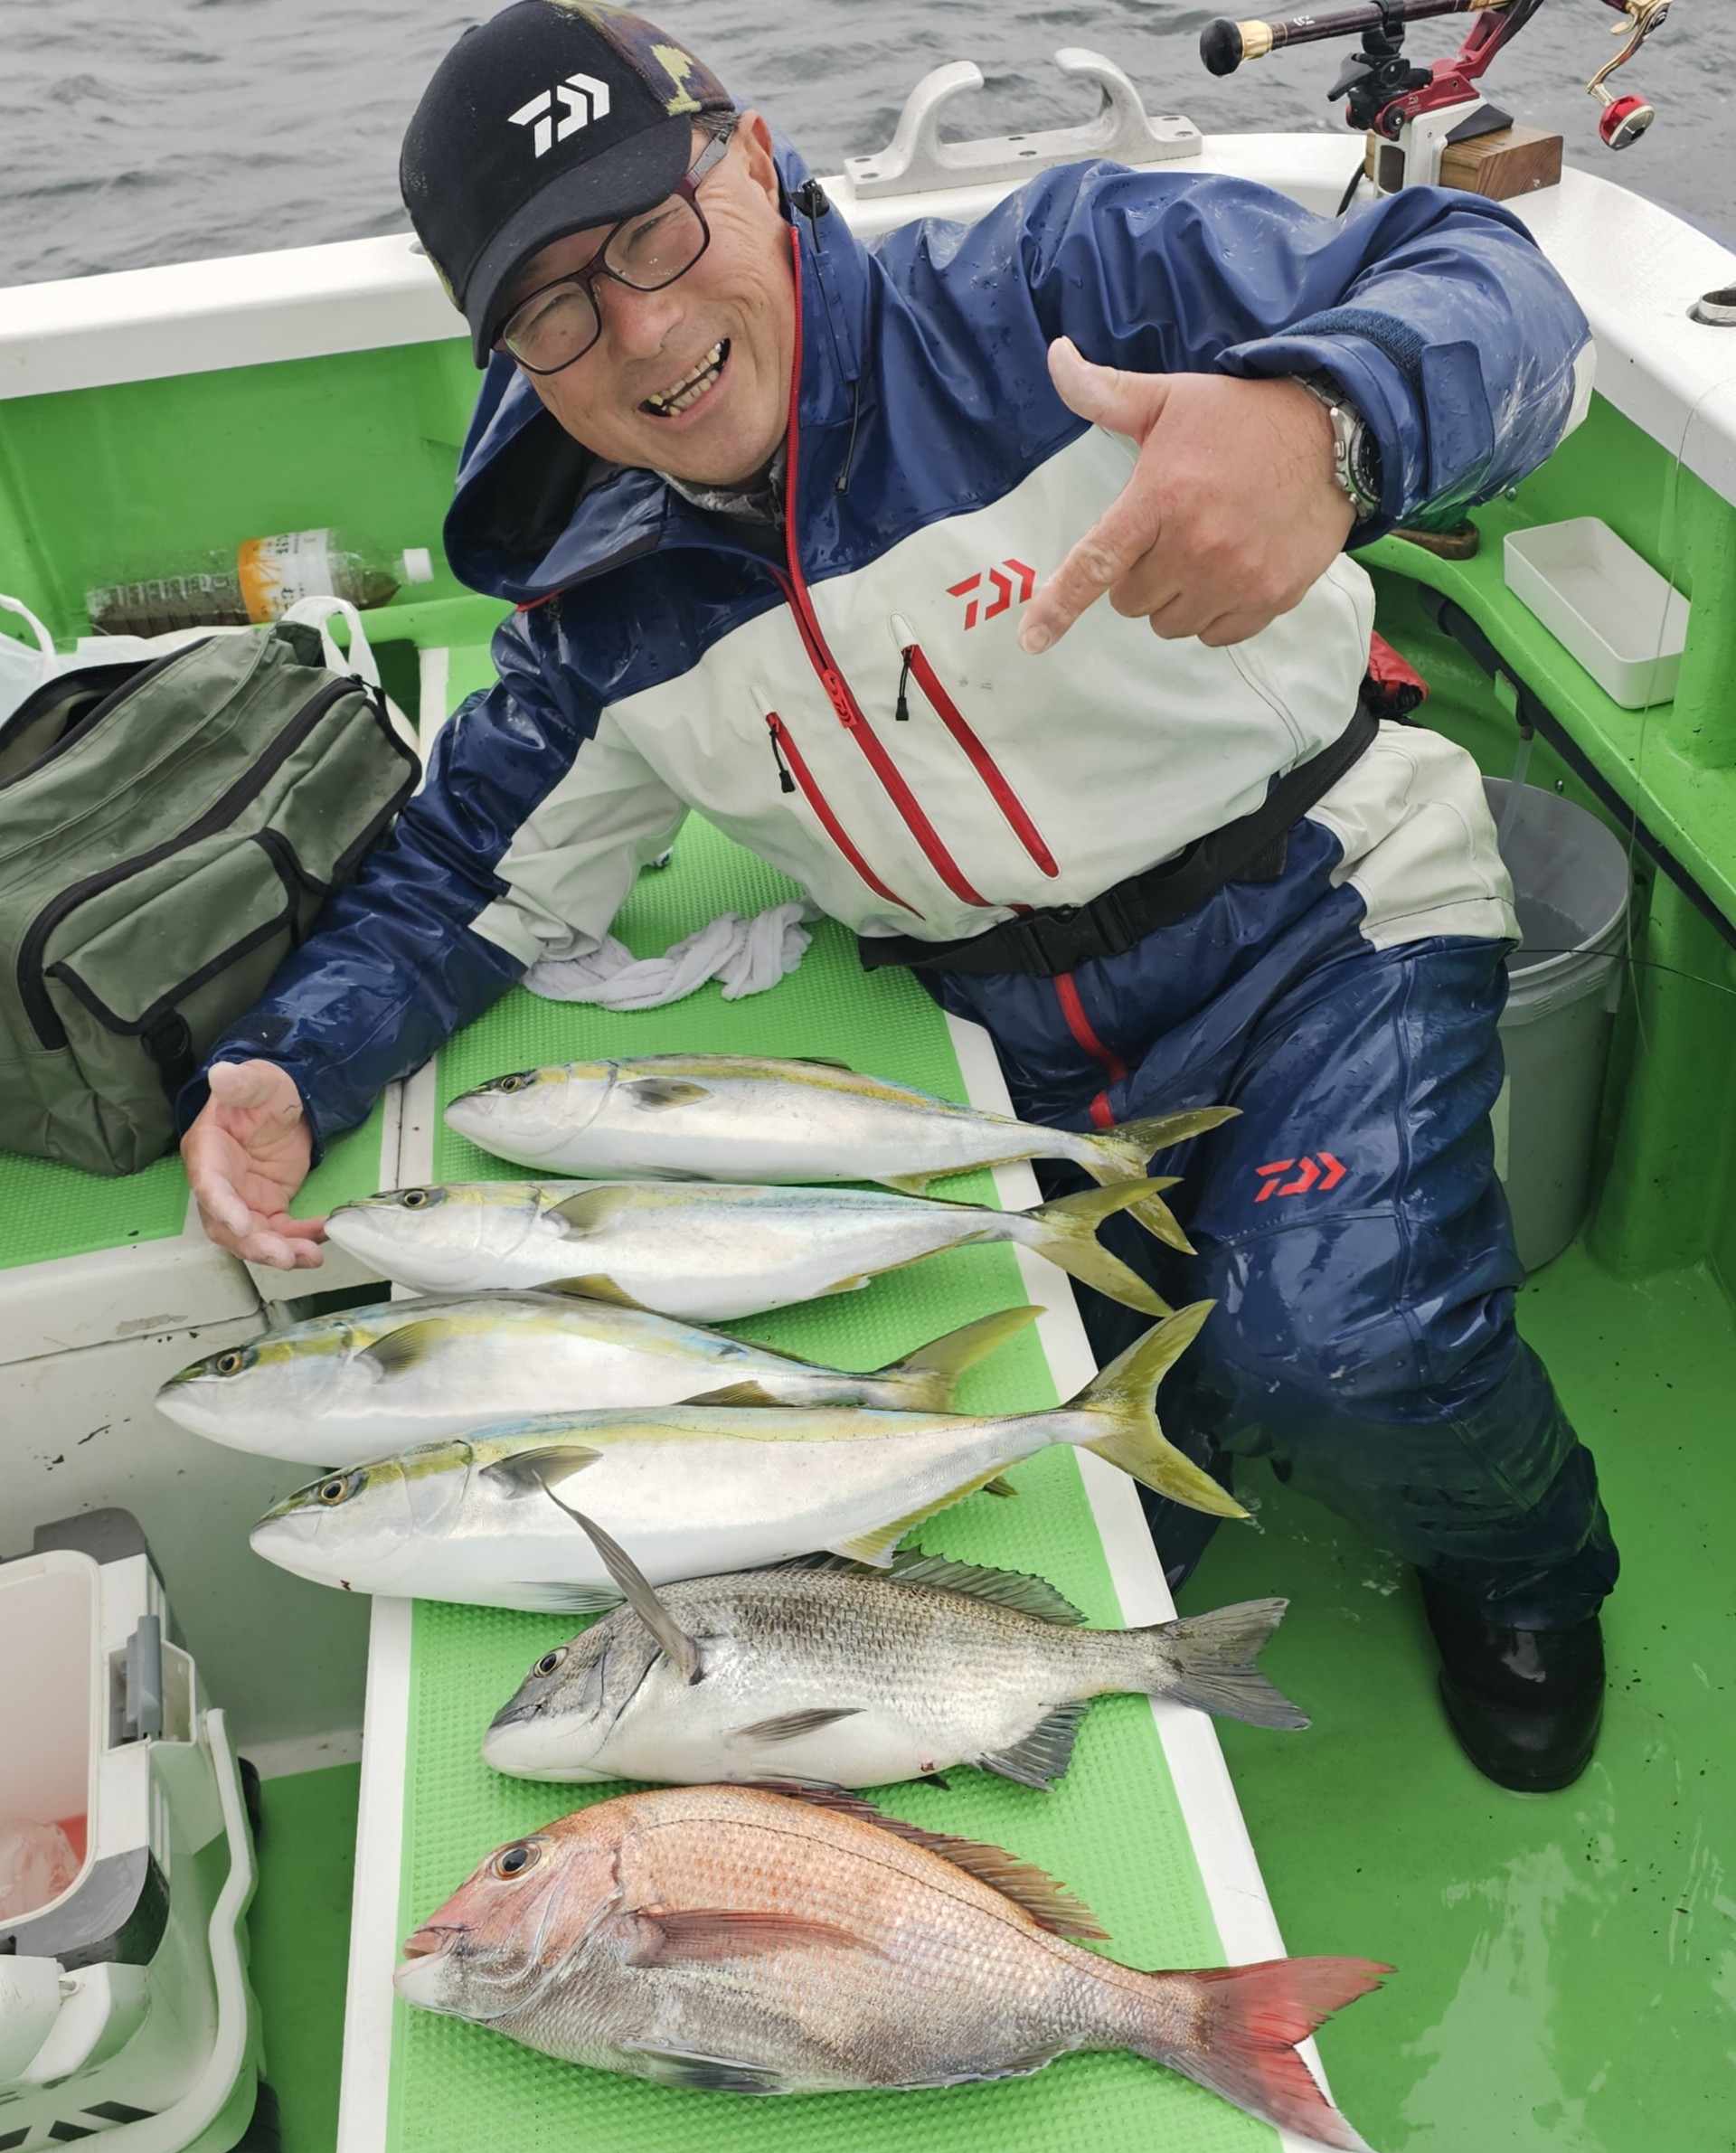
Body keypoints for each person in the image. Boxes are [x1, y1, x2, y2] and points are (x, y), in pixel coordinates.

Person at [181, 2, 1618, 1789]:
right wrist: (290, 1068)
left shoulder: (1065, 284)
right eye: (556, 303)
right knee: (1017, 1516)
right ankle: (1206, 1370)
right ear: (511, 357)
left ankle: (1532, 1564)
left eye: (655, 231)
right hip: (1004, 1057)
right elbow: (467, 872)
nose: (643, 326)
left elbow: (1493, 287)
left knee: (1348, 1342)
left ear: (759, 161)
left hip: (1329, 913)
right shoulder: (593, 611)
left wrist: (1325, 424)